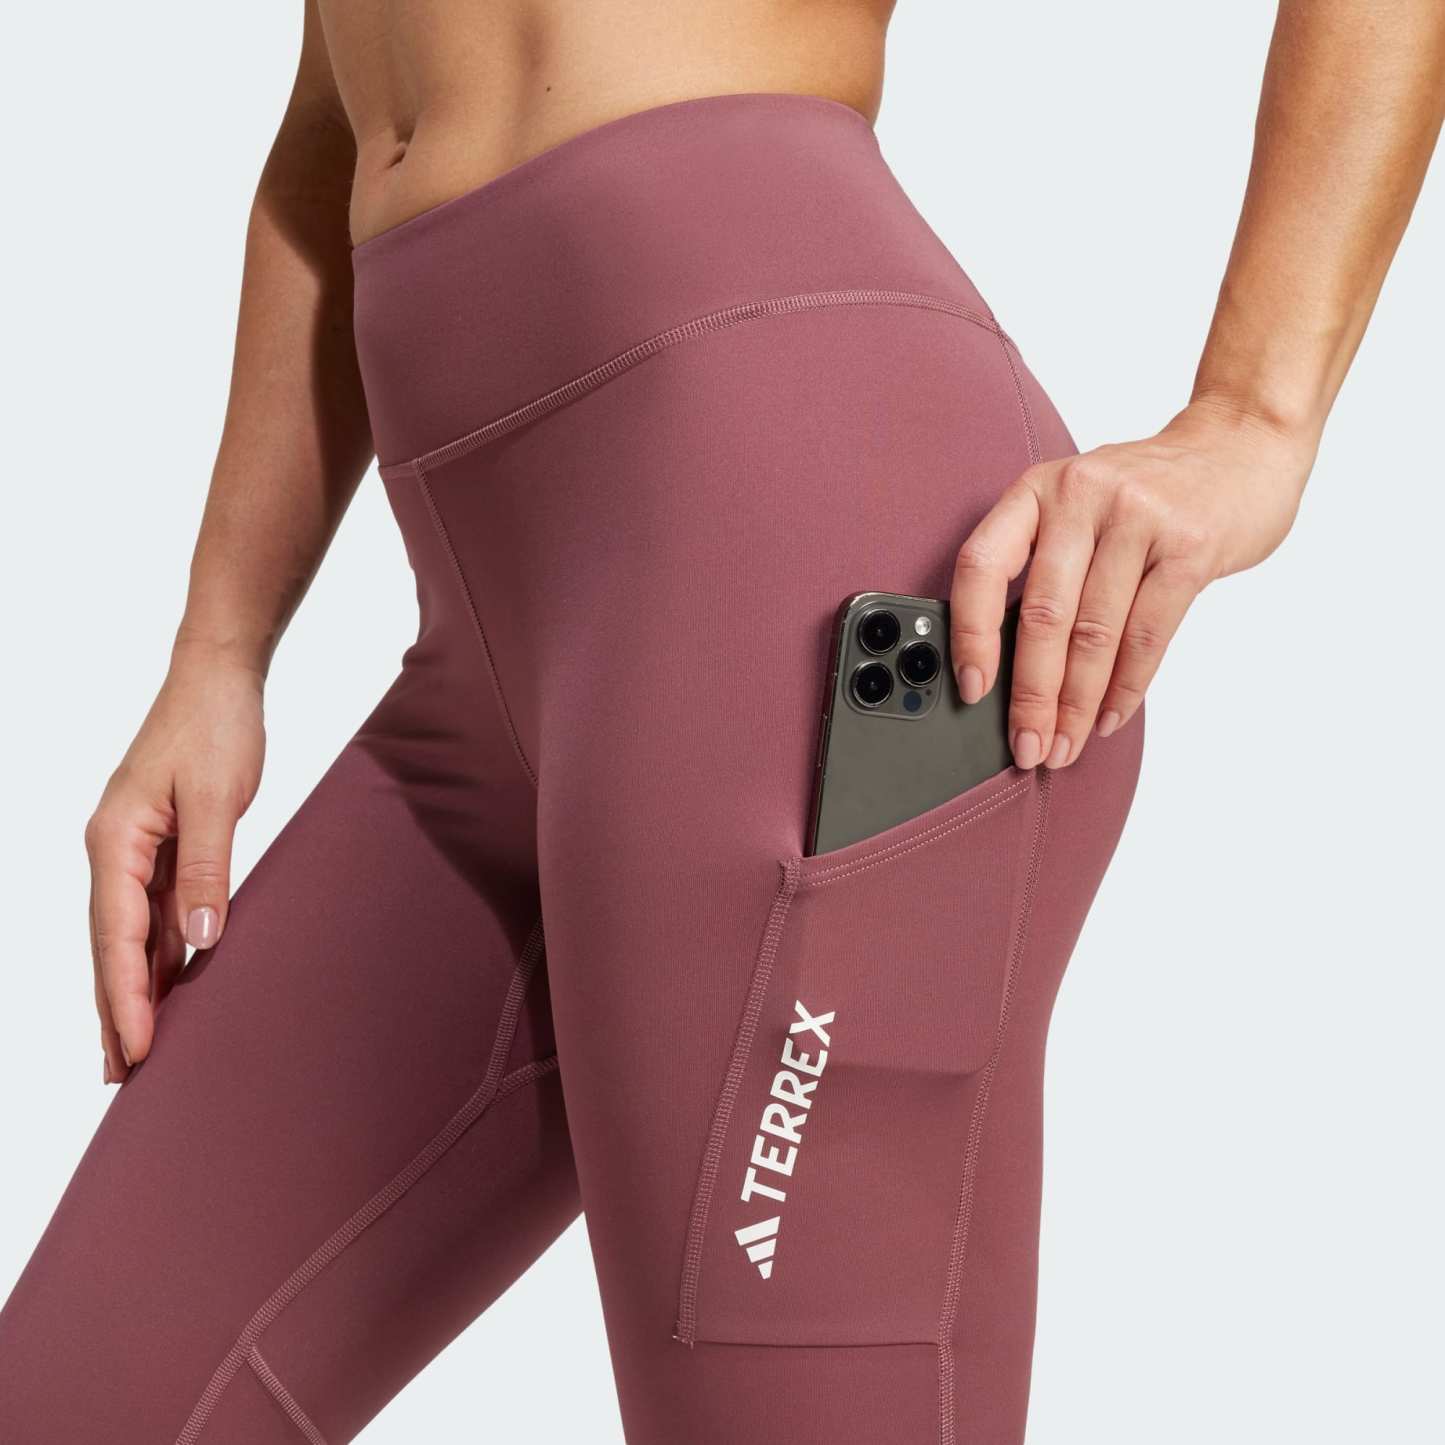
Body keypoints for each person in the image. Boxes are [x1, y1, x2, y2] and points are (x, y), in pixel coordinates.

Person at [2, 3, 1440, 1442]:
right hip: (492, 664)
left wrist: (1253, 416)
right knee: (78, 1402)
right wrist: (219, 648)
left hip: (815, 596)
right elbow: (337, 116)